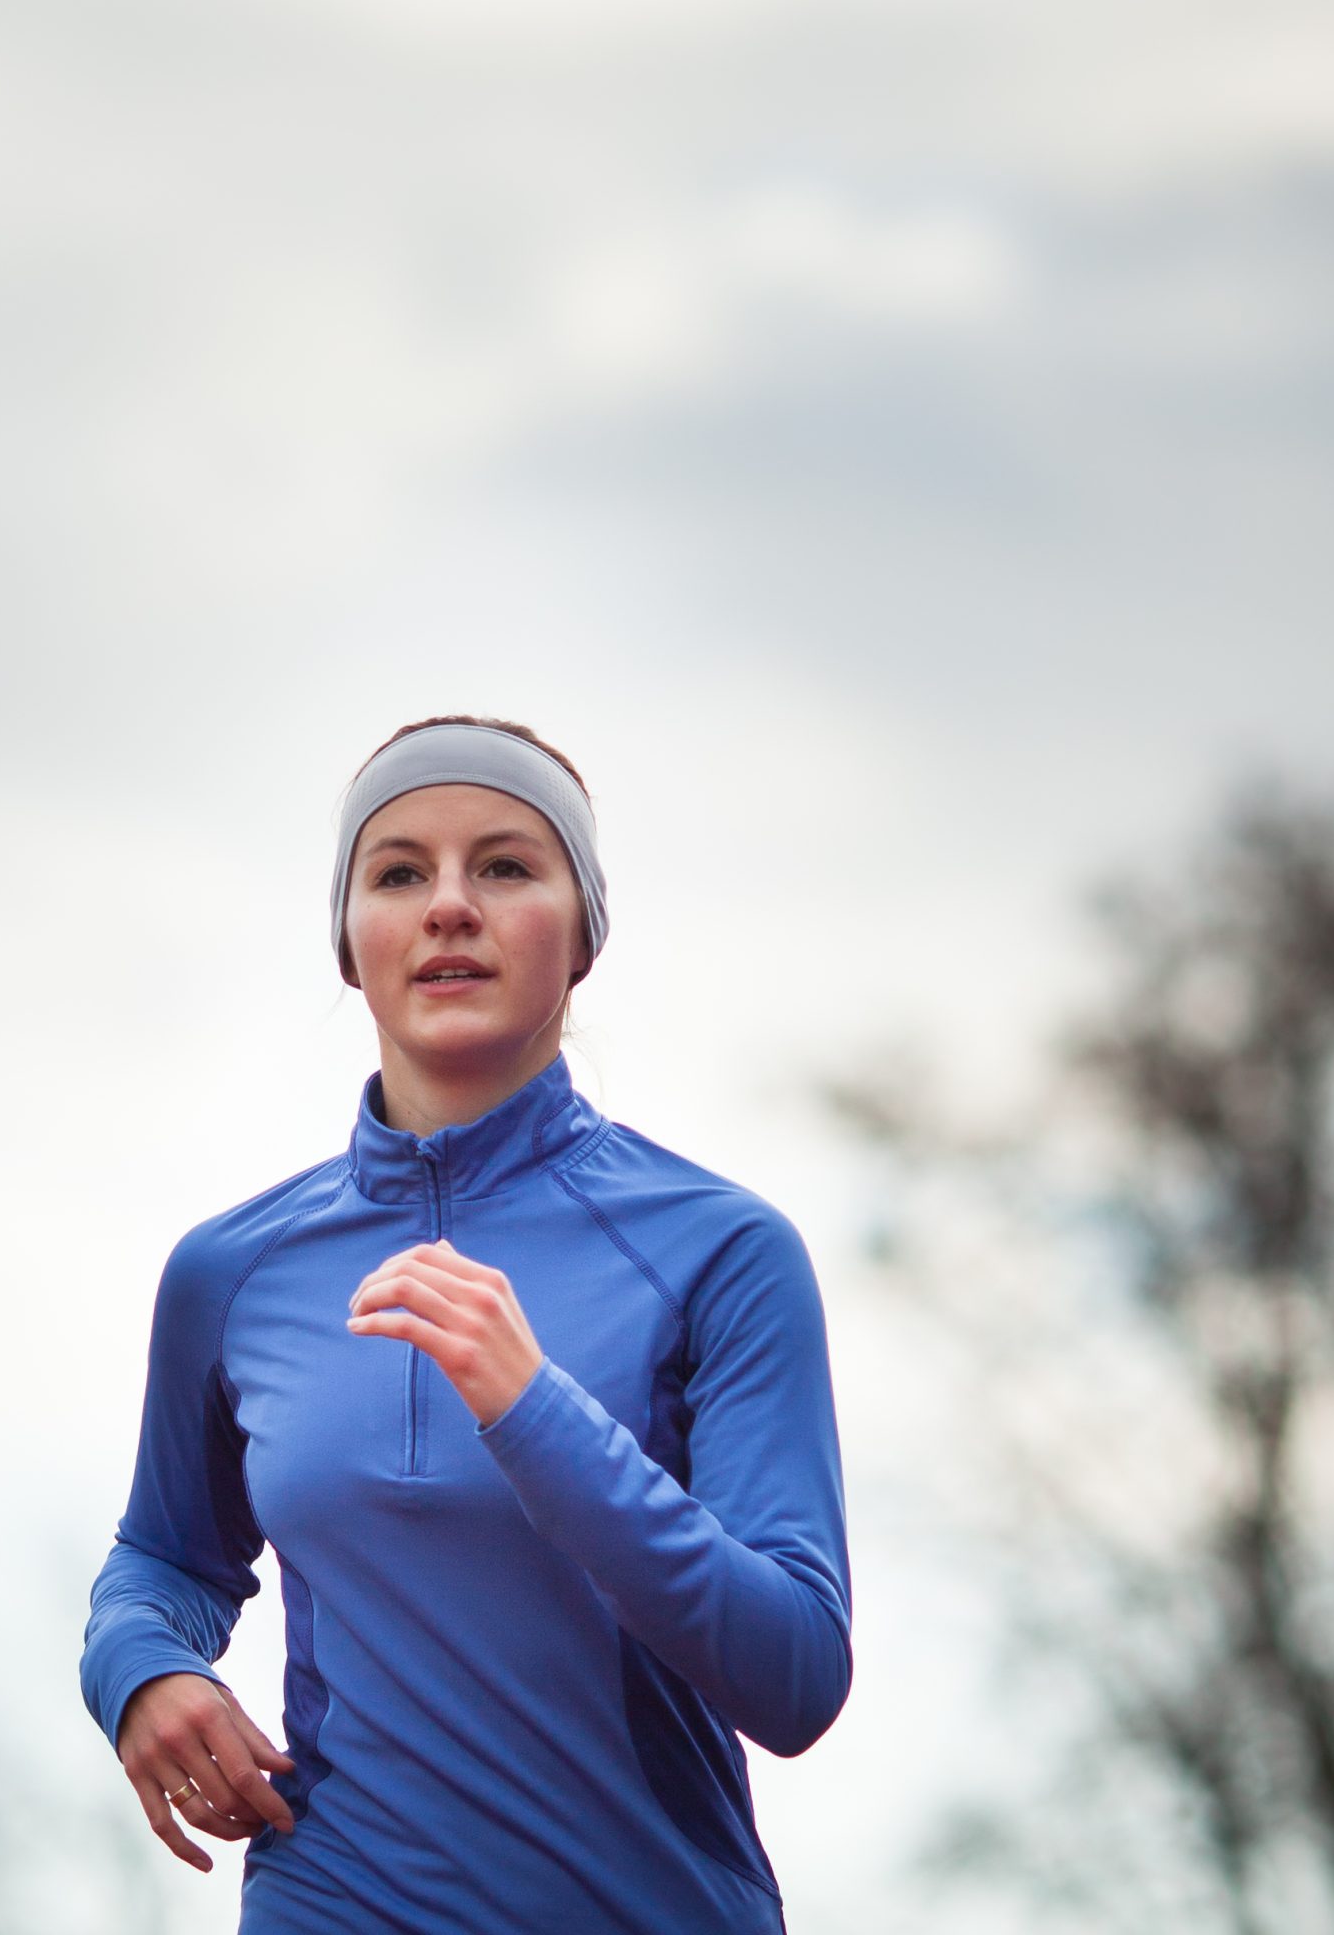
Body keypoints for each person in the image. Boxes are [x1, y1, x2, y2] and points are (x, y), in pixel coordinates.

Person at [80, 716, 851, 1932]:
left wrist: (536, 1410)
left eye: (503, 865)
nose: (447, 905)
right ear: (348, 941)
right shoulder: (230, 1273)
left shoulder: (721, 1251)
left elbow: (797, 1673)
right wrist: (142, 1670)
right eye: (397, 872)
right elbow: (165, 1557)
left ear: (583, 932)